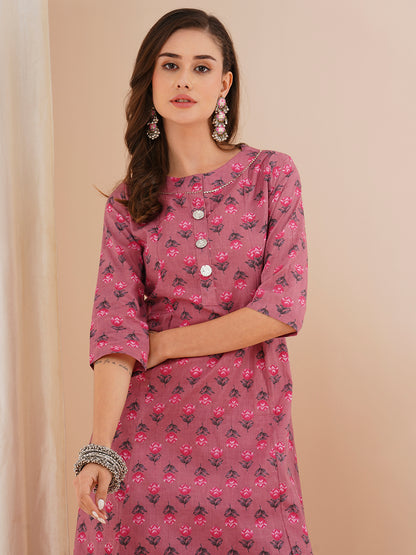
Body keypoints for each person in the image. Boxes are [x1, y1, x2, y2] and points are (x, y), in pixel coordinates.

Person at [73, 7, 313, 555]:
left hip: (250, 429)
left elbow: (282, 307)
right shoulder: (129, 202)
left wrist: (160, 345)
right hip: (146, 434)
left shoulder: (271, 175)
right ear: (151, 79)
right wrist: (99, 449)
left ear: (223, 84)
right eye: (170, 65)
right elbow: (114, 332)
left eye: (201, 67)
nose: (184, 79)